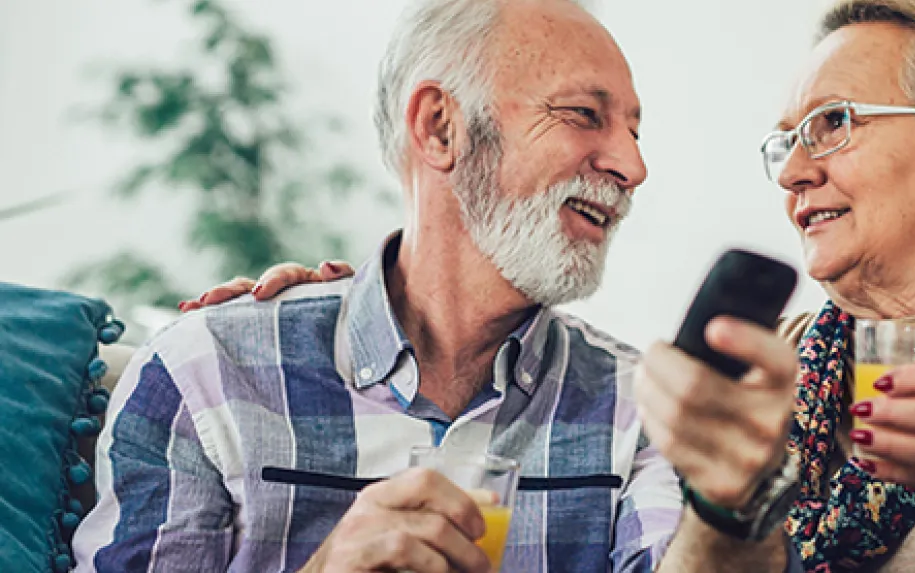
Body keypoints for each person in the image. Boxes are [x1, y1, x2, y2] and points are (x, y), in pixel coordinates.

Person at [205, 0, 915, 571]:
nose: (797, 168)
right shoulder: (742, 378)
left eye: (833, 127)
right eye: (785, 144)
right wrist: (340, 313)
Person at [71, 0, 804, 571]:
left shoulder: (641, 410)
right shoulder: (205, 372)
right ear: (440, 126)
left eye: (635, 132)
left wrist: (729, 506)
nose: (631, 166)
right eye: (585, 114)